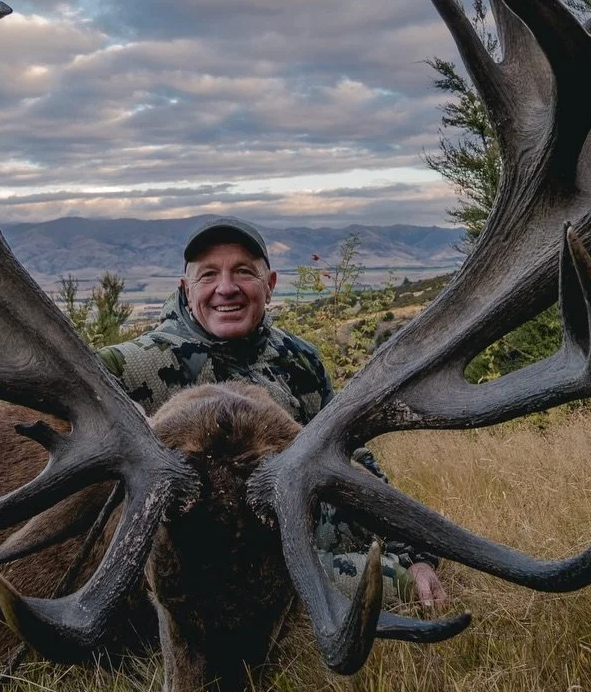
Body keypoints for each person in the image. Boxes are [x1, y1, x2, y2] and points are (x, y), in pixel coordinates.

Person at [96, 218, 449, 610]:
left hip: (304, 538)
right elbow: (71, 394)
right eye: (208, 275)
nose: (226, 288)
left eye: (243, 272)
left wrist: (417, 554)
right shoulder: (134, 364)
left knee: (400, 581)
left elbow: (350, 459)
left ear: (270, 284)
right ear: (186, 288)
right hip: (210, 566)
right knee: (384, 585)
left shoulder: (299, 361)